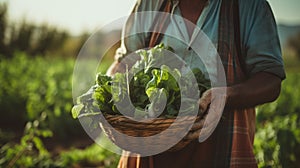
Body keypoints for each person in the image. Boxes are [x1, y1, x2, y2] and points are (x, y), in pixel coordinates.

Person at [107, 0, 286, 167]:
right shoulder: (150, 4)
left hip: (221, 146)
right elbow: (123, 64)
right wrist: (108, 92)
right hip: (147, 146)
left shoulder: (248, 6)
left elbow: (270, 80)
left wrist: (224, 97)